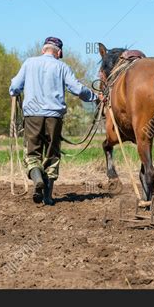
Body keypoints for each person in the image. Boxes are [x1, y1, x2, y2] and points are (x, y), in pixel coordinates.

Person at [9, 37, 100, 205]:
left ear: (44, 49)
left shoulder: (29, 63)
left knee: (32, 153)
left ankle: (37, 180)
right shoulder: (62, 67)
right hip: (54, 117)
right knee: (52, 154)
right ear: (58, 52)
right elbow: (77, 89)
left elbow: (14, 86)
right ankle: (48, 197)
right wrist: (95, 97)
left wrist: (15, 91)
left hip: (32, 117)